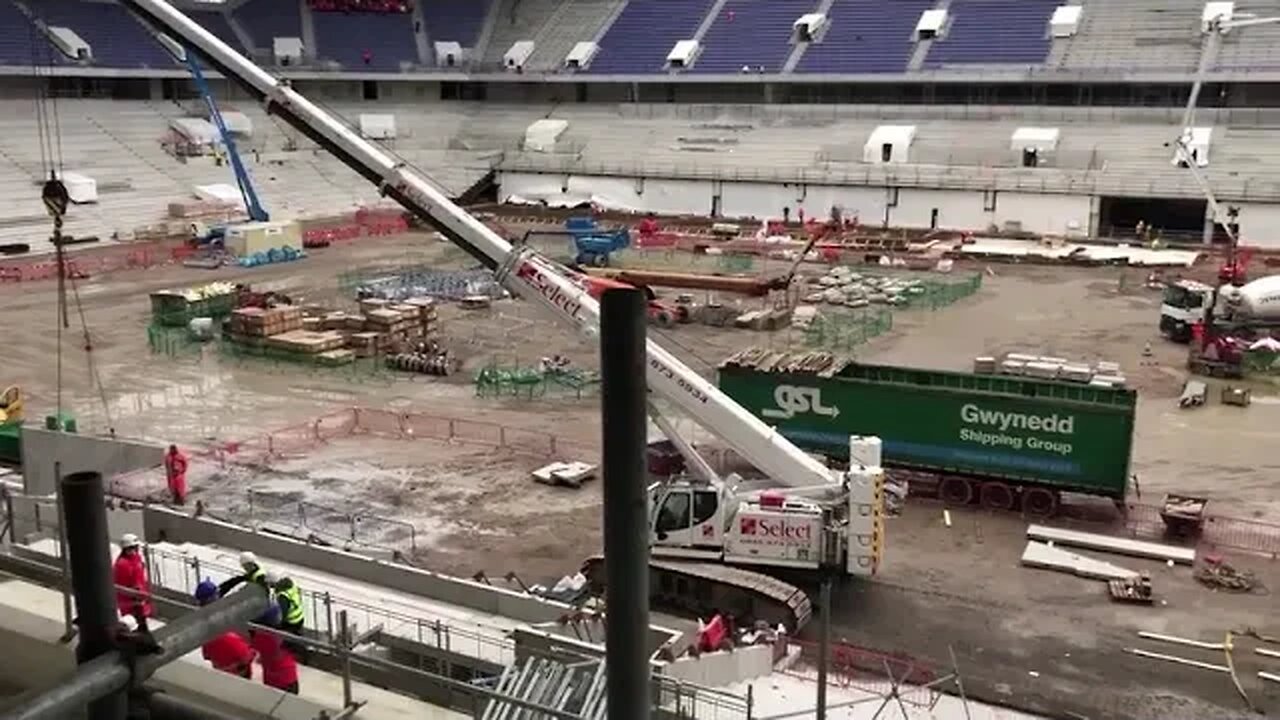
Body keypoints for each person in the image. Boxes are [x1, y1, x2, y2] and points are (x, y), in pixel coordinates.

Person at [195, 580, 257, 678]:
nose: (218, 595)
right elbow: (243, 655)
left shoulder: (203, 620)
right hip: (236, 670)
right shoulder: (216, 627)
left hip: (222, 666)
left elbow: (207, 654)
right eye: (216, 593)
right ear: (210, 599)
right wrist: (251, 653)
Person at [250, 606, 299, 694]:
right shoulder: (282, 635)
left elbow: (252, 654)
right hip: (289, 677)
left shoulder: (259, 638)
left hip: (272, 680)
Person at [112, 534, 153, 619]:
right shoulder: (123, 564)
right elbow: (130, 583)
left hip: (139, 599)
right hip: (131, 603)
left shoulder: (135, 558)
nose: (136, 550)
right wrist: (138, 598)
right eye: (133, 547)